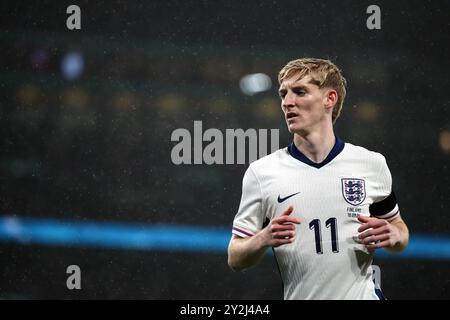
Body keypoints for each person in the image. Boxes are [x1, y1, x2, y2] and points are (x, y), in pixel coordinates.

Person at [227, 58, 409, 300]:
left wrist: (396, 236)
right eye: (284, 94)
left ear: (329, 99)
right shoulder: (262, 173)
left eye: (300, 92)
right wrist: (263, 237)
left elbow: (399, 229)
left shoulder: (371, 164)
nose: (287, 102)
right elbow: (235, 258)